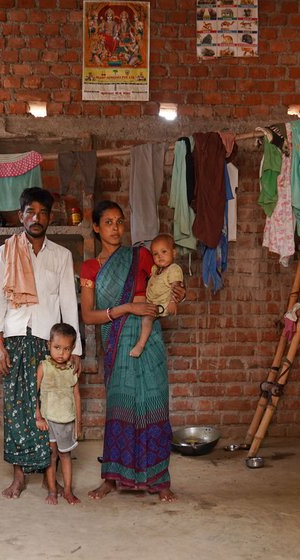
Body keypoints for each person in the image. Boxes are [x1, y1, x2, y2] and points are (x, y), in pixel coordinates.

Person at [0, 187, 82, 499]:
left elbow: (68, 303)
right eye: (30, 212)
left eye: (42, 212)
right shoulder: (4, 252)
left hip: (48, 343)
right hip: (13, 339)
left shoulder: (61, 256)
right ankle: (19, 476)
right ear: (21, 215)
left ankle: (52, 480)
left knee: (48, 410)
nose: (36, 218)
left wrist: (74, 350)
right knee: (16, 410)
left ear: (50, 217)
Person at [80, 201, 185, 503]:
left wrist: (181, 290)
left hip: (147, 339)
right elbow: (88, 315)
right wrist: (127, 307)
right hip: (116, 342)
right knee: (120, 406)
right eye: (108, 222)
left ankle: (159, 479)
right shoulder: (90, 267)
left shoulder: (139, 255)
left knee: (154, 402)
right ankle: (112, 478)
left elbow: (168, 275)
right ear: (97, 228)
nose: (115, 227)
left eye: (120, 221)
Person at [35, 323, 83, 505]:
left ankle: (68, 491)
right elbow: (35, 392)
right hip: (48, 420)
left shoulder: (72, 369)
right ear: (49, 345)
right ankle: (53, 491)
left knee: (65, 456)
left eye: (66, 349)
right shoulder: (44, 367)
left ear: (72, 349)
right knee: (51, 456)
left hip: (67, 420)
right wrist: (38, 416)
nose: (61, 353)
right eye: (57, 348)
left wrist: (79, 423)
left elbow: (76, 395)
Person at [129, 233, 183, 358]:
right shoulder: (156, 269)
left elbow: (176, 287)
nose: (160, 256)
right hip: (152, 302)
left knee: (147, 319)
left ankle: (140, 345)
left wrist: (173, 302)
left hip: (161, 305)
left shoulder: (174, 269)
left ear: (174, 253)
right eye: (155, 254)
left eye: (164, 252)